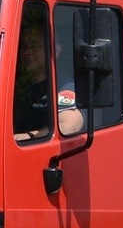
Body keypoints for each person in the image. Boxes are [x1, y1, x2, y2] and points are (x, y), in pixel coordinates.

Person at [13, 12, 84, 140]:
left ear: (55, 51)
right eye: (24, 46)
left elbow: (68, 126)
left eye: (34, 46)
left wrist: (23, 138)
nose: (27, 52)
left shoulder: (64, 87)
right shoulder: (17, 85)